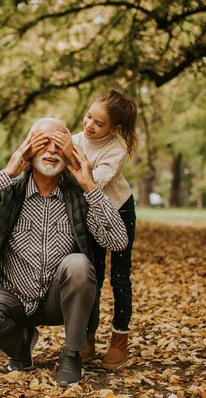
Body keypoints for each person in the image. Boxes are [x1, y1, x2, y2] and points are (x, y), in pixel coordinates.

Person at [0, 118, 128, 385]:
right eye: (43, 142)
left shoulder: (80, 196)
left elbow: (117, 241)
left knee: (78, 264)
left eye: (60, 144)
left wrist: (90, 186)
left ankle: (72, 354)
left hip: (59, 302)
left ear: (70, 153)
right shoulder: (8, 193)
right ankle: (22, 344)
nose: (51, 150)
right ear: (28, 149)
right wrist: (7, 172)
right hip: (13, 297)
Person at [70, 90, 138, 370]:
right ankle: (88, 334)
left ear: (114, 128)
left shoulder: (116, 149)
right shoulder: (74, 140)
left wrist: (80, 166)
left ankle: (119, 338)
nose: (90, 125)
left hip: (119, 209)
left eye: (99, 123)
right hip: (90, 214)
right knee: (92, 277)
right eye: (89, 116)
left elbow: (93, 182)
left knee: (119, 277)